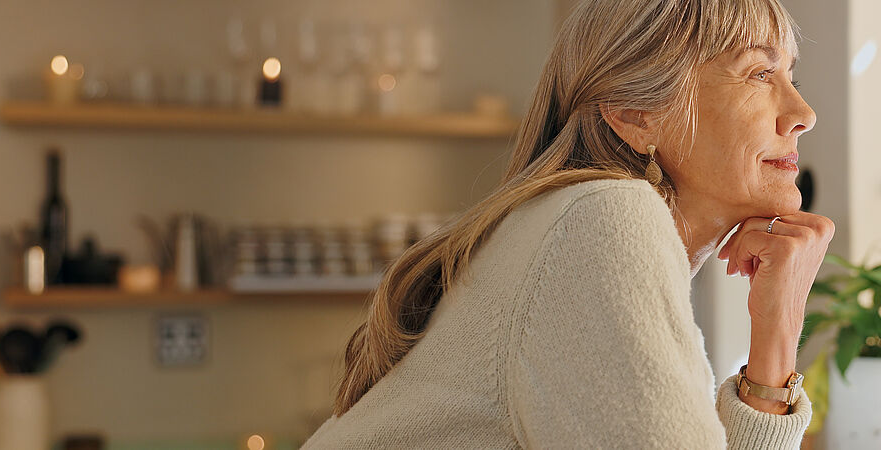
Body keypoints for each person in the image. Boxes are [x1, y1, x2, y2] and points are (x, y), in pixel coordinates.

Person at [302, 0, 832, 447]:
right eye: (760, 74)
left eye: (791, 76)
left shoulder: (580, 224)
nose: (803, 111)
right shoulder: (602, 217)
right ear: (634, 112)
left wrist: (777, 337)